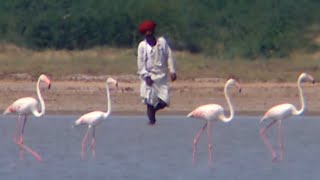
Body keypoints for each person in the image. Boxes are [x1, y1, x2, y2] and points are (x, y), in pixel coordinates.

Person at [137, 20, 177, 125]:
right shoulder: (142, 46)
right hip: (149, 77)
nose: (148, 34)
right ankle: (151, 122)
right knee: (149, 101)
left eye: (150, 31)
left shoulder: (162, 42)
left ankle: (154, 111)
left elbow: (169, 56)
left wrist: (172, 70)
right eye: (146, 32)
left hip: (162, 77)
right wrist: (146, 76)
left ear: (153, 32)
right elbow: (140, 64)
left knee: (165, 100)